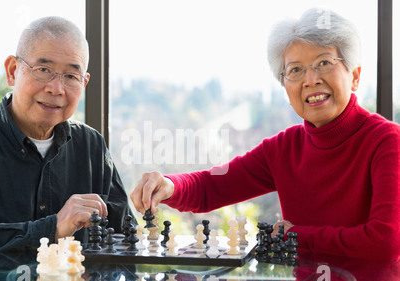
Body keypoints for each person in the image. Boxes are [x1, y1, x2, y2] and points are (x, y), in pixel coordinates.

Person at [131, 8, 400, 261]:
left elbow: (386, 241)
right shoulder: (283, 149)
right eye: (295, 70)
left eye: (324, 63)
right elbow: (211, 187)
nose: (310, 80)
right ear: (284, 85)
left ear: (355, 76)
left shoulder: (388, 141)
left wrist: (294, 236)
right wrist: (169, 185)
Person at [0, 16, 134, 260]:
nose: (56, 88)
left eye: (71, 76)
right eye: (44, 70)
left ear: (84, 83)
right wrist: (53, 229)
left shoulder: (92, 147)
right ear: (13, 71)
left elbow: (126, 238)